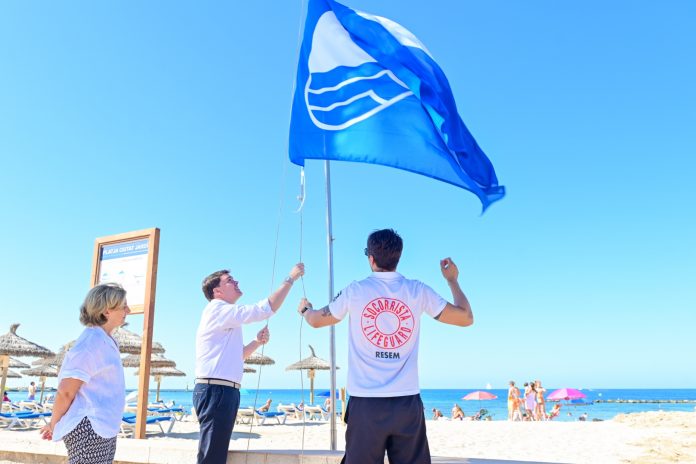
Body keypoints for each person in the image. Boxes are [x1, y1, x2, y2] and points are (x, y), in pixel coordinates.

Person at [299, 229, 473, 464]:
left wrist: (305, 309)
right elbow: (465, 318)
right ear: (398, 257)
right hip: (407, 402)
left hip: (365, 403)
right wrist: (452, 280)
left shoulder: (356, 290)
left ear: (370, 258)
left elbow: (317, 321)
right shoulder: (417, 290)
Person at [194, 263, 304, 464]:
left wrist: (257, 341)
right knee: (211, 457)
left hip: (221, 390)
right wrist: (291, 278)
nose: (236, 282)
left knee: (214, 454)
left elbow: (238, 355)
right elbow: (264, 309)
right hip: (217, 390)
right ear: (217, 291)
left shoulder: (224, 315)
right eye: (230, 280)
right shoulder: (218, 309)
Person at [39, 283, 130, 464]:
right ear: (106, 311)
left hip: (102, 425)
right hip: (90, 426)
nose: (128, 309)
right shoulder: (91, 343)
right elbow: (66, 391)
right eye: (123, 306)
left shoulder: (106, 340)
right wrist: (54, 424)